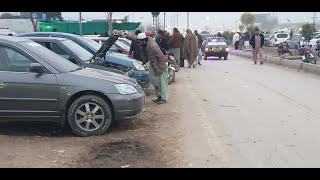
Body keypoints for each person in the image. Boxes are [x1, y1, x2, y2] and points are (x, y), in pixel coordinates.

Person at [123, 33, 169, 104]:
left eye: (140, 42)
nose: (139, 44)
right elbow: (134, 38)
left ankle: (164, 98)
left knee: (161, 83)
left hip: (159, 65)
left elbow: (161, 57)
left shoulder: (152, 46)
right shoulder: (144, 42)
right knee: (155, 82)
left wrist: (159, 69)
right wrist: (125, 35)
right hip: (153, 64)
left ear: (144, 41)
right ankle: (159, 96)